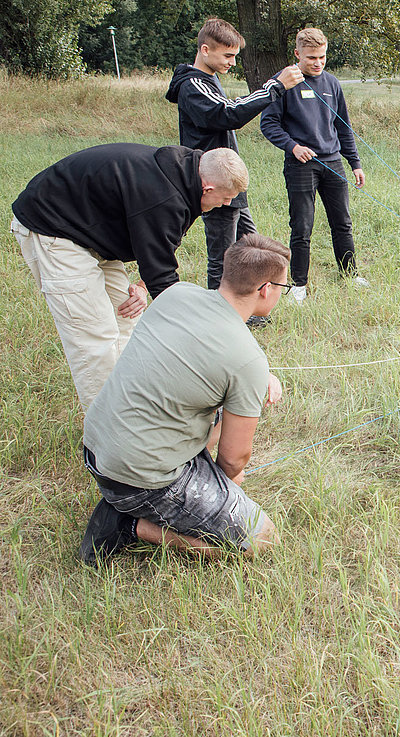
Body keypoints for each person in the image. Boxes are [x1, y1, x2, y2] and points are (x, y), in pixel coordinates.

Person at [78, 234, 291, 564]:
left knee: (228, 405)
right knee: (262, 539)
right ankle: (130, 524)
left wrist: (257, 377)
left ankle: (133, 500)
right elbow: (234, 459)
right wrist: (225, 486)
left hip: (95, 444)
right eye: (283, 286)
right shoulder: (247, 359)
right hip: (137, 478)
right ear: (266, 289)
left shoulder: (178, 293)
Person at [10, 144, 249, 409]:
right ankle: (107, 434)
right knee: (95, 337)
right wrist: (194, 336)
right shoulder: (163, 196)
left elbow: (162, 245)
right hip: (54, 228)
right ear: (208, 188)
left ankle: (129, 406)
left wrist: (141, 286)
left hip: (94, 232)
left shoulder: (185, 173)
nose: (227, 204)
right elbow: (164, 281)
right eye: (226, 198)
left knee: (126, 319)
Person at [165, 17, 303, 294]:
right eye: (227, 55)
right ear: (205, 50)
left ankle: (247, 306)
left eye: (234, 56)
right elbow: (228, 113)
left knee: (249, 247)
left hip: (229, 182)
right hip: (214, 183)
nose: (232, 62)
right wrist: (275, 86)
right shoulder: (193, 86)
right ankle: (220, 313)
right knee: (224, 257)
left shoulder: (209, 79)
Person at [261, 27, 367, 303]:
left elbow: (343, 127)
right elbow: (268, 124)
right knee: (302, 226)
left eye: (321, 57)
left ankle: (351, 274)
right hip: (301, 165)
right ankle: (299, 284)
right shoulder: (283, 83)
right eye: (311, 58)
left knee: (342, 222)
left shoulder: (332, 84)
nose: (317, 63)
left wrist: (354, 162)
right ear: (297, 54)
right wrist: (293, 147)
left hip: (332, 162)